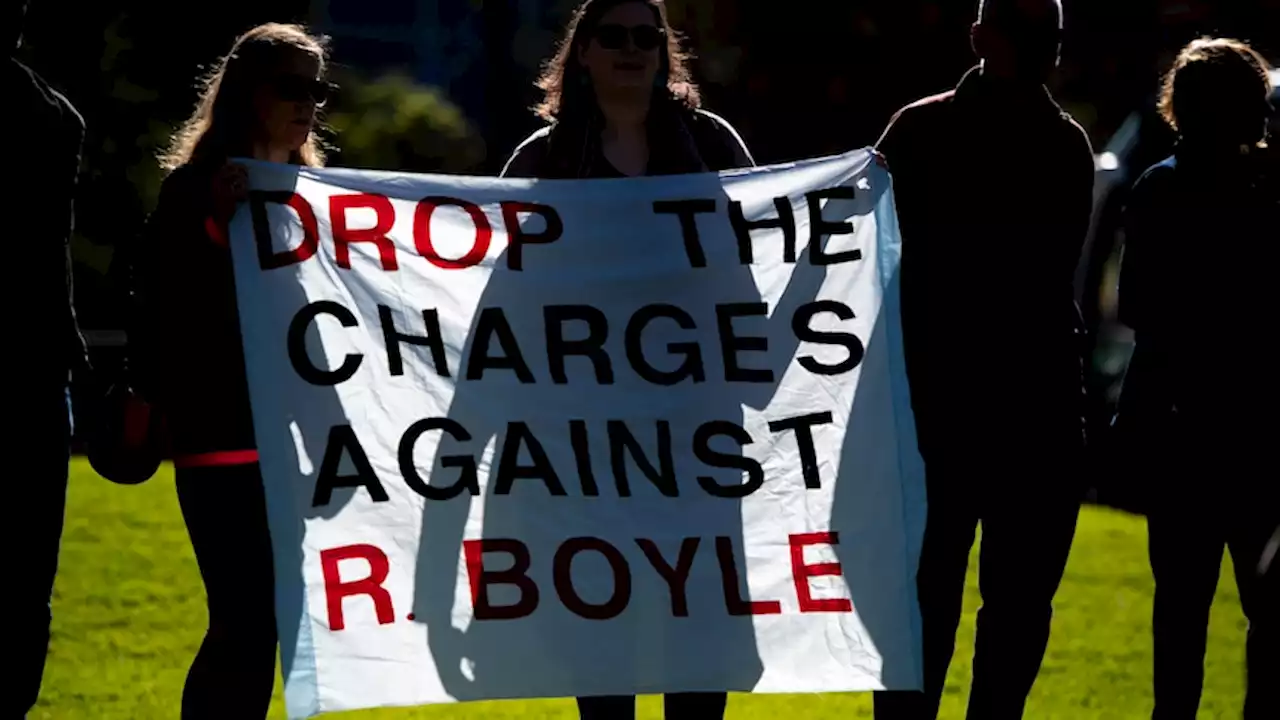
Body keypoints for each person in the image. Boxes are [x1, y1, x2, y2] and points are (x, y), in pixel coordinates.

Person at [501, 2, 752, 718]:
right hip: (586, 443)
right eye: (614, 36)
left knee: (701, 627)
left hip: (696, 435)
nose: (632, 49)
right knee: (601, 624)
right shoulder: (542, 160)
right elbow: (506, 299)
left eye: (649, 37)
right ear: (582, 53)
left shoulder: (712, 145)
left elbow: (757, 258)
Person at [872, 0, 1093, 717]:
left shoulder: (1050, 142)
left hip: (1019, 410)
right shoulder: (1045, 141)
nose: (1044, 51)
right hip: (956, 408)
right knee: (927, 603)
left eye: (1048, 38)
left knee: (1007, 605)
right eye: (1030, 37)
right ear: (979, 37)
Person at [131, 22, 332, 719]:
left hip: (297, 448)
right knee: (244, 624)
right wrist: (221, 224)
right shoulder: (193, 194)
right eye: (291, 88)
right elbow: (166, 310)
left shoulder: (318, 200)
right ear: (248, 93)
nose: (309, 104)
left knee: (270, 628)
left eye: (317, 90)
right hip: (223, 441)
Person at [1117, 37, 1278, 720]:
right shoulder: (1272, 190)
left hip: (1182, 428)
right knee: (1268, 608)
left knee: (1179, 612)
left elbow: (1140, 315)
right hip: (1265, 428)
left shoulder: (1159, 188)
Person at [9, 0, 88, 715]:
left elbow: (47, 256)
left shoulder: (54, 116)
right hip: (35, 372)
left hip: (34, 371)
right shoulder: (53, 116)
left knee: (25, 585)